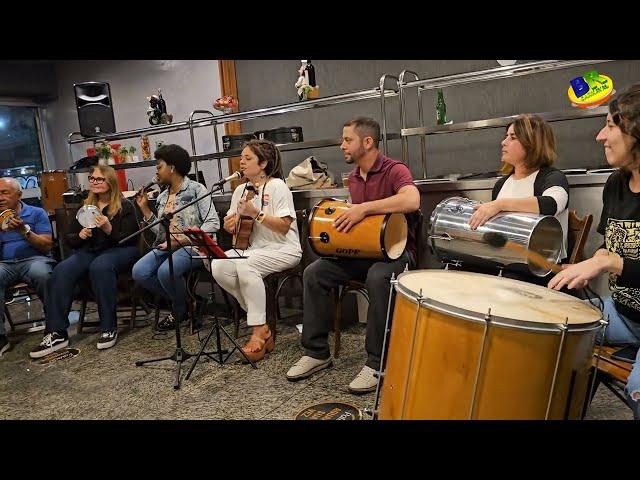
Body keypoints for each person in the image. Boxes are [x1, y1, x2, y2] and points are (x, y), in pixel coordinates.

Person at [286, 117, 420, 393]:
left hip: (396, 255)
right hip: (363, 252)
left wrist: (364, 208)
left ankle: (376, 363)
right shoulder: (355, 177)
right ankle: (316, 353)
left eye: (348, 140)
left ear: (367, 142)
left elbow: (411, 200)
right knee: (315, 272)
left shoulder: (395, 170)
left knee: (378, 277)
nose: (342, 145)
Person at [548, 83, 640, 419]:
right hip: (626, 314)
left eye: (610, 126)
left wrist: (612, 263)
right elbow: (610, 243)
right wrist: (597, 259)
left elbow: (618, 258)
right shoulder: (616, 183)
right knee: (556, 327)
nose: (601, 136)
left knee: (637, 389)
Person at [29, 165, 141, 358]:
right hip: (92, 251)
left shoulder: (126, 206)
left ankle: (108, 327)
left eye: (99, 179)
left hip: (121, 250)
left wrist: (107, 228)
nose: (94, 182)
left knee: (101, 266)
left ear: (110, 182)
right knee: (62, 269)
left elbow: (129, 238)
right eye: (92, 178)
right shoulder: (86, 207)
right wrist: (80, 235)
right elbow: (69, 239)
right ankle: (56, 333)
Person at [210, 140, 301, 362]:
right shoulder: (240, 190)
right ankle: (261, 324)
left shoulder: (277, 186)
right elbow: (231, 223)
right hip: (254, 249)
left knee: (246, 264)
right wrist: (230, 224)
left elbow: (283, 226)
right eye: (241, 157)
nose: (241, 161)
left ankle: (259, 332)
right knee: (218, 264)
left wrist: (256, 213)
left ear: (263, 164)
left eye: (248, 158)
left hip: (284, 248)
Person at [468, 114, 569, 284]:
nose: (504, 142)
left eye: (513, 137)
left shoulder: (551, 177)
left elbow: (551, 204)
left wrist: (501, 205)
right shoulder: (502, 184)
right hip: (504, 264)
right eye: (506, 136)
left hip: (540, 271)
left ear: (533, 143)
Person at [132, 144, 220, 330]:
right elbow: (161, 233)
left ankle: (179, 310)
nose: (156, 171)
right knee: (139, 271)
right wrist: (145, 209)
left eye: (159, 166)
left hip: (193, 247)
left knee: (166, 271)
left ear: (172, 168)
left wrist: (183, 240)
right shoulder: (163, 197)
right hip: (168, 246)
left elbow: (213, 223)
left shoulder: (197, 189)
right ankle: (190, 302)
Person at [0, 178, 55, 357]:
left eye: (4, 193)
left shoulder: (37, 213)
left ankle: (54, 327)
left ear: (19, 195)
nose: (0, 197)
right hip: (5, 264)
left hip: (35, 259)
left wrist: (24, 231)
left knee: (42, 274)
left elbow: (47, 245)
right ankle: (1, 337)